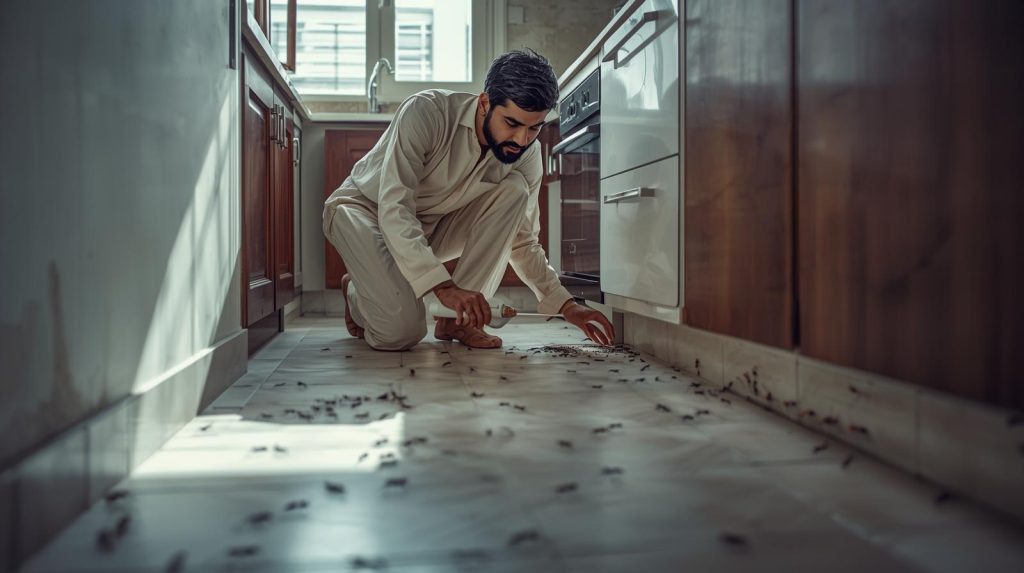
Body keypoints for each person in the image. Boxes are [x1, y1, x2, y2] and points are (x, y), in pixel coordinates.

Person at [322, 49, 614, 350]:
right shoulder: (426, 113)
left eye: (534, 127)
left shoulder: (526, 156)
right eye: (512, 124)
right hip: (362, 212)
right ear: (485, 103)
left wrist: (565, 305)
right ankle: (357, 292)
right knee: (399, 334)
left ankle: (457, 321)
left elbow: (523, 241)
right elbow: (396, 208)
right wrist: (444, 287)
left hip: (429, 228)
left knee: (514, 188)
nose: (522, 140)